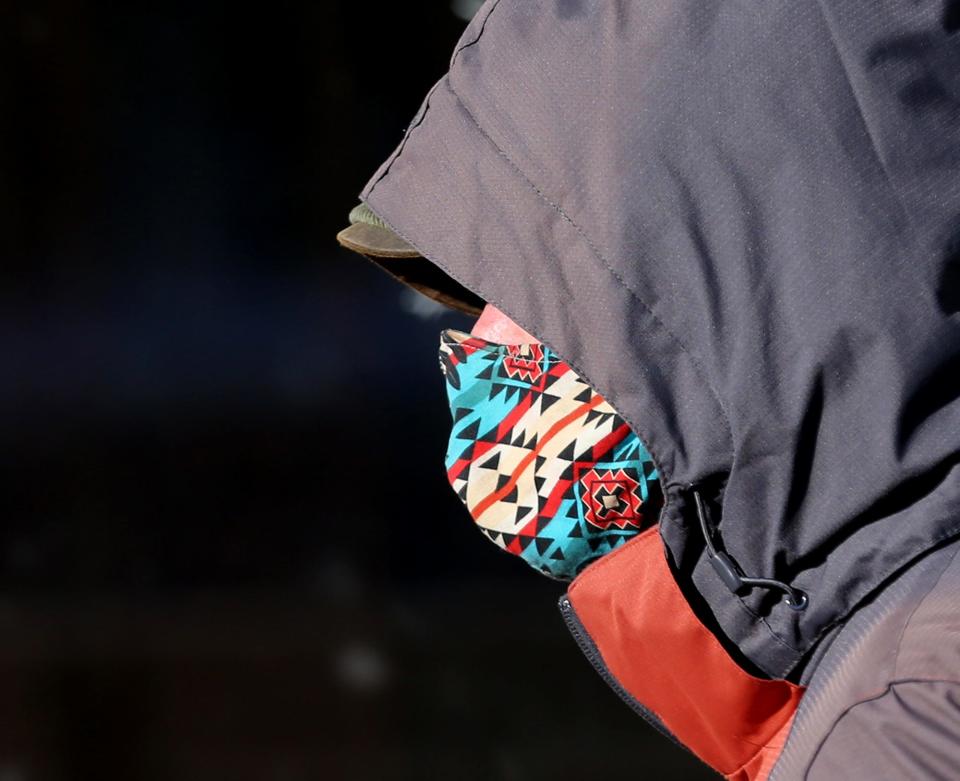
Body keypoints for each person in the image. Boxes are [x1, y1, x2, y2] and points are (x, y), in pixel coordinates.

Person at [337, 2, 960, 778]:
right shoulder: (885, 669)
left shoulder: (906, 707)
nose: (475, 349)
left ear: (717, 272)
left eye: (535, 276)